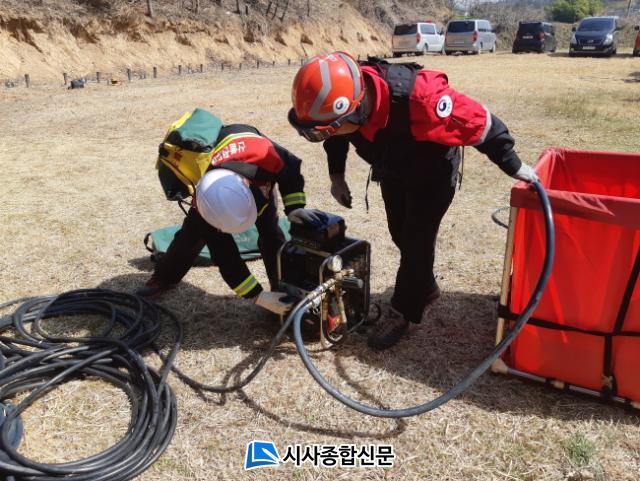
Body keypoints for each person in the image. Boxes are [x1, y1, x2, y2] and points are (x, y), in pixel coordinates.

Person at [287, 52, 539, 349]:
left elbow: (483, 124)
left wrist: (515, 166)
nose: (328, 135)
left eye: (328, 129)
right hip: (393, 168)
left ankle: (404, 310)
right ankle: (425, 287)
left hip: (433, 174)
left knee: (417, 242)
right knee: (400, 234)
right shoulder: (344, 108)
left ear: (356, 109)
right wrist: (337, 176)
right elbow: (336, 135)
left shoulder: (422, 99)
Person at [137, 121, 317, 316]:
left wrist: (295, 208)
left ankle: (282, 288)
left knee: (271, 234)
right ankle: (163, 277)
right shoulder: (207, 204)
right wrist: (257, 296)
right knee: (190, 235)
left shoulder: (267, 157)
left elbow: (291, 167)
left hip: (249, 155)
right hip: (214, 179)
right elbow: (226, 258)